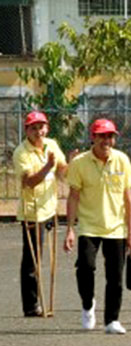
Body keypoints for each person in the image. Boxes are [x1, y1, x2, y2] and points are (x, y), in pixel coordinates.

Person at [63, 118, 131, 334]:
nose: (107, 140)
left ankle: (112, 320)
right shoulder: (79, 163)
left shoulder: (122, 160)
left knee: (115, 276)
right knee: (85, 267)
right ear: (93, 138)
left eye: (110, 136)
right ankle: (88, 305)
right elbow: (73, 197)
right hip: (89, 225)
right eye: (102, 136)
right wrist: (70, 228)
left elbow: (128, 200)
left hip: (116, 227)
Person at [14, 111, 67, 317]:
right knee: (33, 259)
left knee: (46, 257)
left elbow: (63, 171)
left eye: (41, 127)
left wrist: (72, 163)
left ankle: (41, 302)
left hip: (50, 207)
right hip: (32, 210)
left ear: (47, 128)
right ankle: (30, 305)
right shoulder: (21, 152)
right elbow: (29, 182)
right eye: (33, 128)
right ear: (27, 130)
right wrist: (47, 166)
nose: (38, 132)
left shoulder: (52, 144)